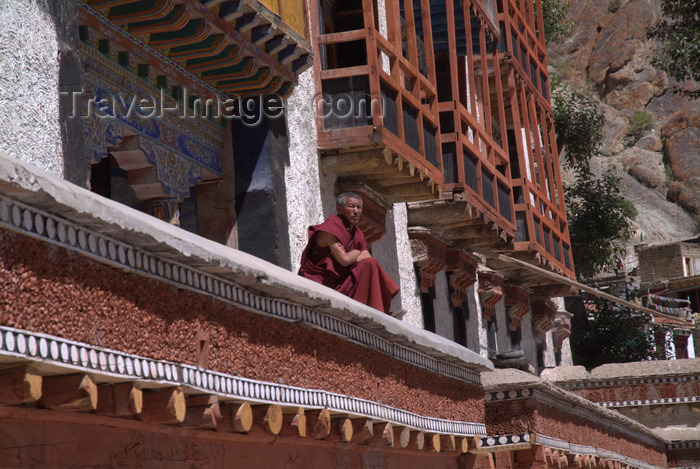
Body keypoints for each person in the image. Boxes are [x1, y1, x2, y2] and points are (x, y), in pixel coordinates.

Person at [298, 192, 399, 314]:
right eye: (351, 206)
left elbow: (366, 256)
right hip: (322, 285)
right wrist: (356, 252)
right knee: (369, 263)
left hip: (343, 282)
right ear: (339, 209)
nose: (356, 211)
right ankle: (378, 311)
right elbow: (344, 261)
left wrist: (351, 255)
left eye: (359, 207)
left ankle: (379, 310)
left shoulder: (357, 232)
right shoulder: (329, 229)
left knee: (370, 263)